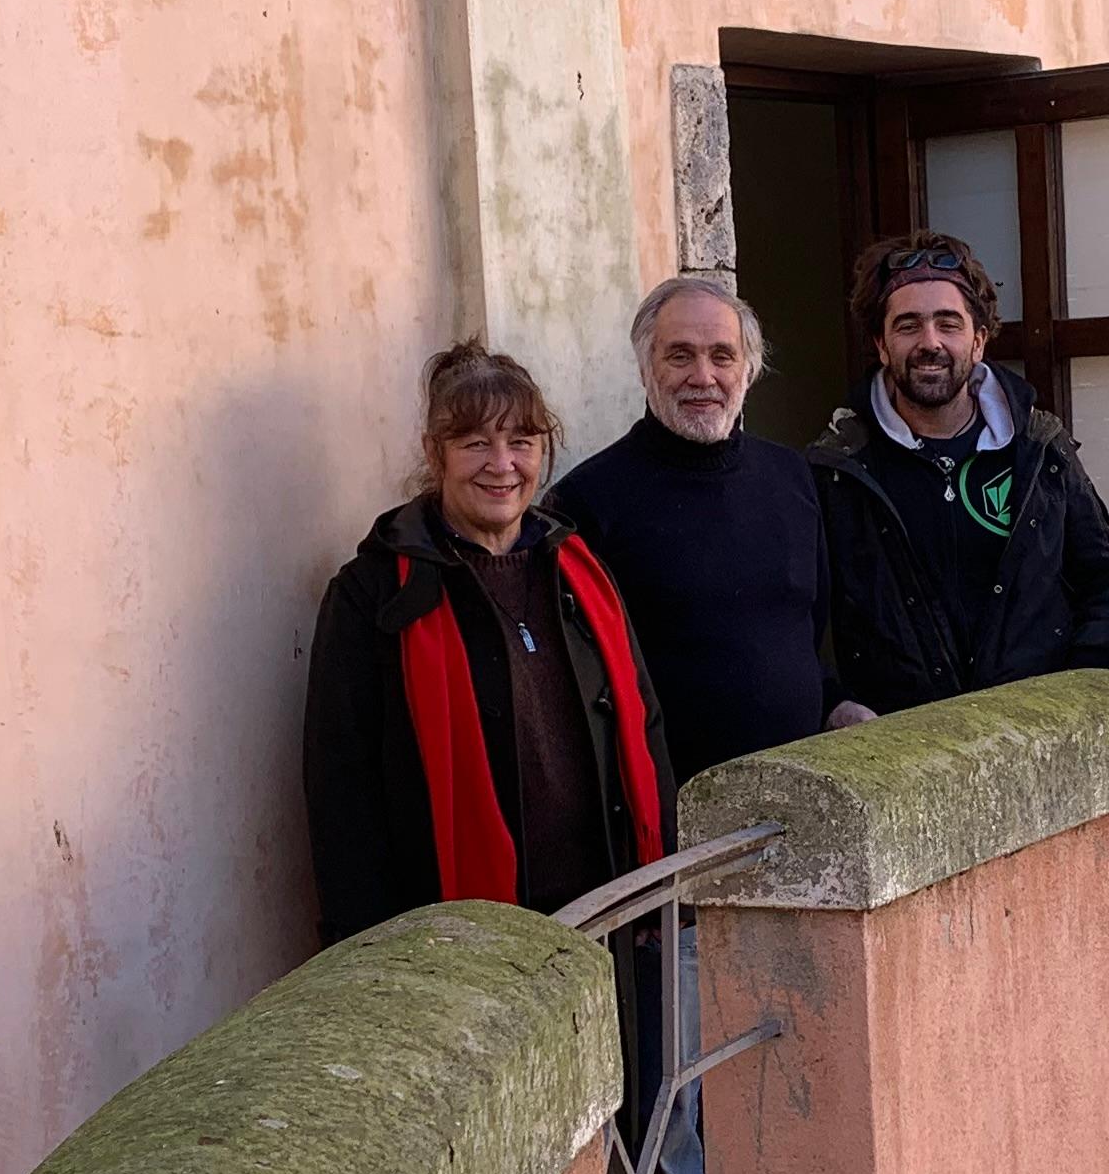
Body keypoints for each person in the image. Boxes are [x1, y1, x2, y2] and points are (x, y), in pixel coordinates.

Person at [303, 340, 672, 943]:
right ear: (435, 454)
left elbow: (645, 724)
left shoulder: (580, 571)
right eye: (476, 442)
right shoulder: (373, 595)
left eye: (521, 442)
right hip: (453, 937)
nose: (502, 464)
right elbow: (341, 790)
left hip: (605, 915)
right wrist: (364, 948)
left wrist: (658, 886)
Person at [551, 275, 871, 773]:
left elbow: (801, 632)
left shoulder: (793, 477)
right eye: (680, 355)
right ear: (644, 368)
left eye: (722, 356)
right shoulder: (586, 502)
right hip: (671, 807)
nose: (703, 376)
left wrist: (835, 704)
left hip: (801, 790)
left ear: (749, 370)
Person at [810, 234, 1109, 712]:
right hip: (899, 756)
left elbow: (1107, 582)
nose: (930, 343)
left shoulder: (1040, 451)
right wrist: (832, 702)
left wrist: (1082, 694)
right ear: (881, 344)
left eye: (949, 324)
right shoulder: (838, 470)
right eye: (908, 326)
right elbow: (793, 615)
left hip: (1037, 741)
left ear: (979, 341)